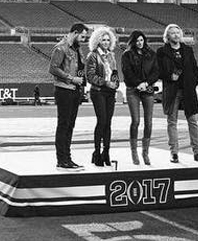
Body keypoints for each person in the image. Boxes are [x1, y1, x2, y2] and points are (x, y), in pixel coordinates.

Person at [157, 24, 198, 164]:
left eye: (177, 32)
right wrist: (168, 76)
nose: (176, 35)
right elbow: (158, 71)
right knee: (172, 122)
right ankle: (174, 153)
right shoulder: (162, 51)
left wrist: (193, 83)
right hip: (172, 91)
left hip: (187, 91)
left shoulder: (188, 50)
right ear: (167, 36)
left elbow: (195, 70)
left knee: (193, 121)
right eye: (172, 33)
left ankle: (197, 152)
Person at [49, 22, 88, 170]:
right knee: (64, 125)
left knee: (70, 126)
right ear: (75, 33)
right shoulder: (61, 48)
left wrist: (80, 82)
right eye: (83, 36)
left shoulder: (77, 50)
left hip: (74, 90)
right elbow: (52, 68)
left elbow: (79, 69)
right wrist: (71, 79)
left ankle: (68, 158)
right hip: (64, 89)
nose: (83, 40)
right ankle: (62, 160)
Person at [121, 30, 160, 166]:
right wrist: (138, 84)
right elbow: (127, 73)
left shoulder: (151, 54)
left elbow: (156, 72)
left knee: (148, 122)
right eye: (137, 40)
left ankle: (145, 152)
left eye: (141, 40)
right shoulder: (127, 55)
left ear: (145, 40)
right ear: (133, 41)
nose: (139, 43)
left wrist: (146, 83)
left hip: (148, 90)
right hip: (133, 90)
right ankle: (134, 152)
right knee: (136, 120)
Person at [85, 27, 119, 167]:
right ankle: (97, 152)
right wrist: (106, 83)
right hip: (98, 91)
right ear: (97, 41)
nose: (105, 42)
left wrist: (115, 83)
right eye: (103, 40)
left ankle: (106, 152)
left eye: (107, 40)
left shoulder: (111, 55)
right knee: (102, 120)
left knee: (108, 123)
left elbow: (115, 73)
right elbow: (90, 76)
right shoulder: (92, 55)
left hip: (110, 92)